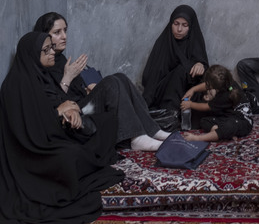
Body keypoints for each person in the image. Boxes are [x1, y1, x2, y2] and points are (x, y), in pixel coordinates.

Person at [0, 32, 124, 224]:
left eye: (51, 48)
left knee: (98, 128)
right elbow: (26, 129)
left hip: (49, 135)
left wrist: (68, 111)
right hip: (30, 152)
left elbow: (52, 108)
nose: (52, 53)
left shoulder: (39, 75)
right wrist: (60, 112)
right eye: (46, 50)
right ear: (32, 54)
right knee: (70, 155)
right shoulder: (16, 85)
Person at [34, 12, 170, 151]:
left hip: (81, 103)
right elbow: (53, 103)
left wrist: (87, 88)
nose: (64, 36)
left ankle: (152, 130)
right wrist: (68, 77)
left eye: (65, 30)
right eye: (57, 32)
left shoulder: (59, 58)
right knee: (111, 82)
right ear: (44, 37)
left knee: (120, 77)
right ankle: (136, 138)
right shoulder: (41, 65)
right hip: (73, 114)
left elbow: (75, 91)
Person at [142, 5, 209, 113]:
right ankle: (170, 112)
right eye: (176, 24)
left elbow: (205, 75)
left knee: (183, 71)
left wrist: (200, 65)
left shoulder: (195, 42)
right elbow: (152, 77)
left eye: (184, 25)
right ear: (171, 24)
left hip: (189, 93)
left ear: (191, 27)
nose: (179, 29)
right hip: (161, 92)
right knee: (180, 71)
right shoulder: (164, 43)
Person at [181, 64, 253, 142]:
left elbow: (206, 107)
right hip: (229, 116)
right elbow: (207, 85)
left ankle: (200, 138)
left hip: (243, 122)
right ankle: (221, 133)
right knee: (204, 121)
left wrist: (190, 104)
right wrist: (193, 89)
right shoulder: (228, 82)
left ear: (215, 87)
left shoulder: (224, 97)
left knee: (228, 126)